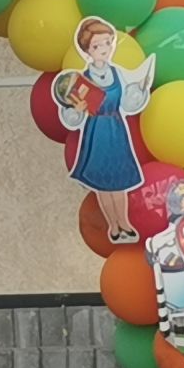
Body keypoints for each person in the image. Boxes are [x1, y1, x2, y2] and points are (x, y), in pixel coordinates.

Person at [53, 16, 156, 244]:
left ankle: (124, 222)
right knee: (103, 185)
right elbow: (70, 115)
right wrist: (77, 109)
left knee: (118, 182)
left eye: (108, 43)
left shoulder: (118, 73)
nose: (104, 49)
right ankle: (114, 226)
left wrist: (139, 89)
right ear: (87, 50)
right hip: (96, 133)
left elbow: (128, 103)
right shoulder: (81, 80)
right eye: (97, 45)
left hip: (116, 130)